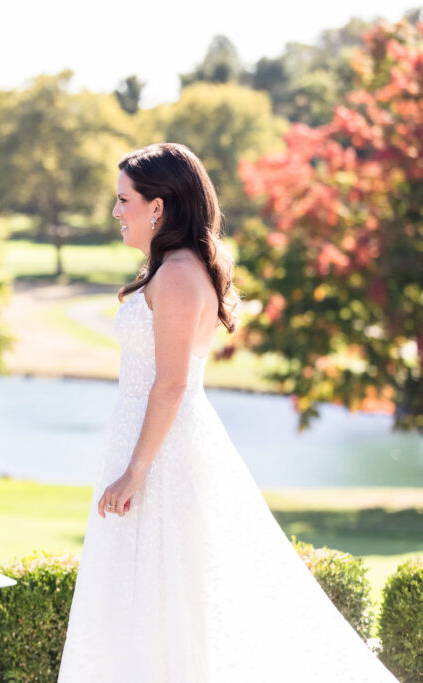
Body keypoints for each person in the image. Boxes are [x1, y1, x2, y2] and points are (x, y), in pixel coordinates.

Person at [57, 143, 396, 682]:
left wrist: (136, 470)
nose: (116, 212)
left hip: (162, 456)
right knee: (145, 597)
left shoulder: (176, 276)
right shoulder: (170, 269)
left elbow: (171, 383)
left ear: (159, 207)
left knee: (167, 598)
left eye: (124, 200)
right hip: (149, 444)